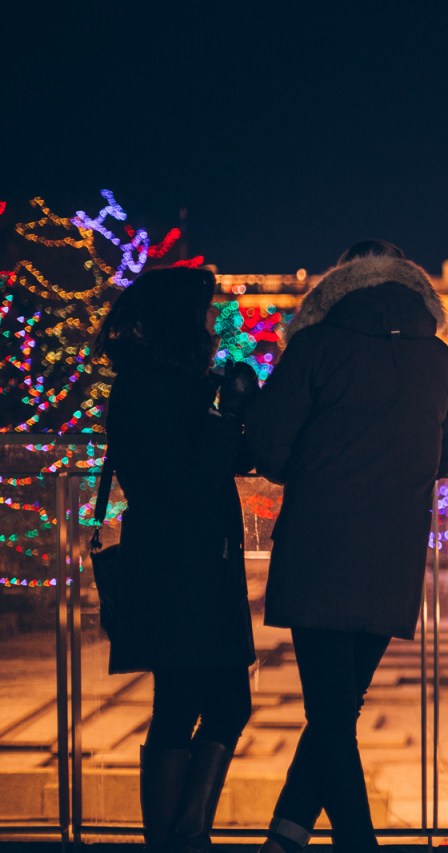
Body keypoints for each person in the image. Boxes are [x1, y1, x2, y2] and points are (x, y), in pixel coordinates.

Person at [246, 240, 448, 852]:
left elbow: (270, 447)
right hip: (394, 552)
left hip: (319, 548)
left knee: (330, 714)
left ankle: (355, 841)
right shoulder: (438, 356)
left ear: (339, 288)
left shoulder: (317, 347)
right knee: (339, 711)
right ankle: (287, 834)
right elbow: (447, 451)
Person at [96, 266, 260, 852]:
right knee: (189, 704)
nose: (214, 323)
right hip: (179, 571)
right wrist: (227, 415)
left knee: (209, 704)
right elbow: (186, 482)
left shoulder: (163, 382)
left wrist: (229, 409)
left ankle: (183, 838)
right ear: (180, 322)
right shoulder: (149, 389)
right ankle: (178, 841)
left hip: (194, 567)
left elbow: (224, 461)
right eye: (205, 313)